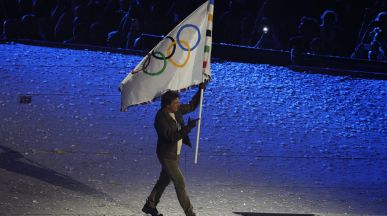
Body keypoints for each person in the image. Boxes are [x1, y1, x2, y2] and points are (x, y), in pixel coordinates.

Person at [142, 83, 206, 216]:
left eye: (178, 102)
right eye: (176, 102)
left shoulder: (175, 110)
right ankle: (190, 213)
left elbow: (191, 106)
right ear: (167, 105)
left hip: (174, 154)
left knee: (164, 180)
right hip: (166, 155)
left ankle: (150, 205)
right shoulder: (160, 118)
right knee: (180, 183)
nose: (178, 104)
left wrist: (200, 90)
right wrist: (187, 128)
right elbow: (171, 137)